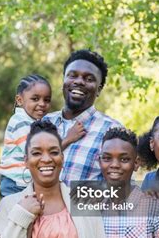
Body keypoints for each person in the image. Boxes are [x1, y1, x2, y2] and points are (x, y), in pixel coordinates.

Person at [0, 120, 112, 238]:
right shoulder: (10, 206)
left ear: (62, 158)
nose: (46, 159)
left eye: (54, 152)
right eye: (36, 153)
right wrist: (22, 217)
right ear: (26, 161)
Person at [0, 74, 84, 197]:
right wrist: (69, 138)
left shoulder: (33, 121)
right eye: (35, 99)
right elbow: (35, 150)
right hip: (15, 185)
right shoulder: (20, 121)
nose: (42, 104)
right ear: (19, 100)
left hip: (25, 184)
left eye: (47, 100)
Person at [45, 49, 120, 185]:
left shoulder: (113, 132)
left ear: (99, 89)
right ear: (64, 80)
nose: (79, 81)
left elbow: (120, 192)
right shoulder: (44, 123)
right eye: (72, 76)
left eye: (89, 79)